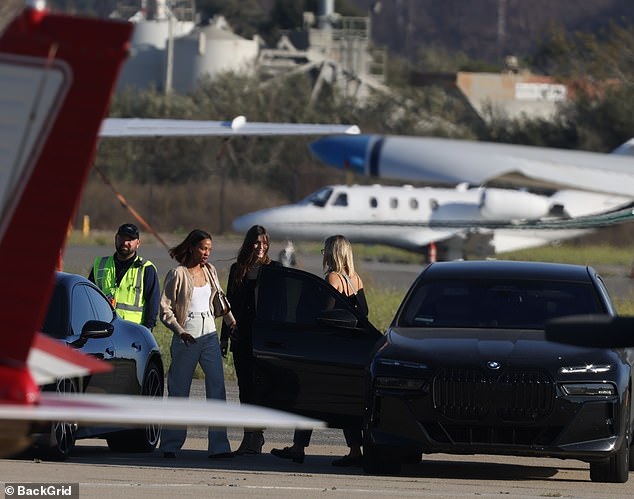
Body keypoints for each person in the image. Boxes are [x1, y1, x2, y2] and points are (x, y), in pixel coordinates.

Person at [271, 234, 368, 467]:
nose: (323, 254)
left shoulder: (333, 278)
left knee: (307, 397)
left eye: (325, 250)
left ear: (333, 253)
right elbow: (363, 313)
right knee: (345, 401)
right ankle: (355, 450)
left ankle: (298, 447)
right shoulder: (356, 279)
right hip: (350, 348)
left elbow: (325, 314)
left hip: (331, 347)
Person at [159, 229, 235, 459]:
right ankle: (170, 445)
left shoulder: (210, 271)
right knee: (179, 391)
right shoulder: (178, 274)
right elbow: (165, 310)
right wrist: (180, 332)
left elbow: (220, 298)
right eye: (203, 248)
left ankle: (219, 447)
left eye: (209, 249)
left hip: (209, 330)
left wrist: (231, 322)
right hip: (187, 333)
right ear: (192, 247)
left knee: (217, 389)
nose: (206, 253)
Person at [220, 225, 282, 455]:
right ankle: (249, 437)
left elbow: (281, 306)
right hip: (242, 337)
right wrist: (224, 337)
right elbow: (228, 307)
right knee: (245, 387)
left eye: (264, 243)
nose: (260, 247)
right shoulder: (238, 269)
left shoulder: (275, 269)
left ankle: (257, 436)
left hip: (265, 339)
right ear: (249, 244)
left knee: (261, 387)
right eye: (256, 242)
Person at [89, 223, 160, 330]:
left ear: (138, 243)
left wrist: (147, 331)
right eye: (122, 238)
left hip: (132, 331)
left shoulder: (146, 268)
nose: (125, 243)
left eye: (130, 240)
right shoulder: (100, 265)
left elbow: (152, 304)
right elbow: (89, 297)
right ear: (116, 239)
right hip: (103, 329)